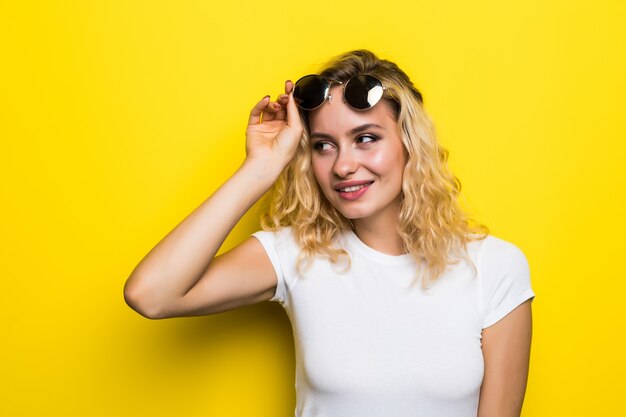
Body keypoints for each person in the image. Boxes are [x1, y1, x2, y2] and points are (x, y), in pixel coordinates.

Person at [123, 49, 535, 417]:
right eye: (323, 145)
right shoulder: (297, 254)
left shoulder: (493, 267)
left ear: (410, 144)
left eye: (366, 139)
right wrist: (260, 169)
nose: (342, 166)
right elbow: (152, 294)